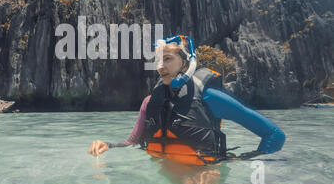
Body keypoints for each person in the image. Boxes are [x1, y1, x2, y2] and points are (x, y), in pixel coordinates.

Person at [88, 35, 286, 165]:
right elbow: (133, 142)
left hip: (205, 178)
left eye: (167, 59)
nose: (159, 66)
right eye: (157, 61)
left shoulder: (210, 98)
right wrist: (108, 145)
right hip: (163, 179)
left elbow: (274, 135)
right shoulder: (150, 102)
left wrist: (241, 161)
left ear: (185, 64)